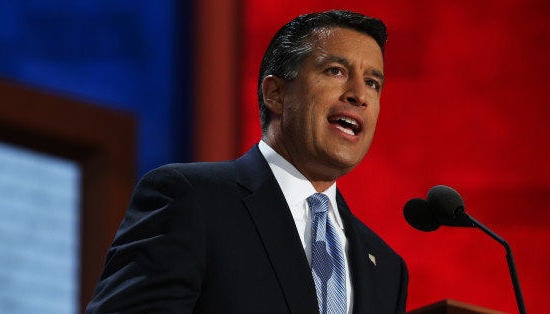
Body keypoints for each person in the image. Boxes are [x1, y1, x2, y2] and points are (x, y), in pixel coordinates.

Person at [86, 9, 407, 314]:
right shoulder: (191, 199)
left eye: (373, 83)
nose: (358, 95)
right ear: (276, 94)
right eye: (335, 71)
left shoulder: (386, 269)